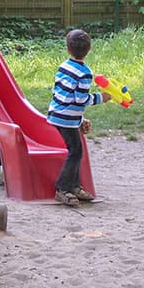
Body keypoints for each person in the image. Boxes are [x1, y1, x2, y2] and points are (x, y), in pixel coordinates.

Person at [47, 29, 108, 207]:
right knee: (75, 152)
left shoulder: (64, 66)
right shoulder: (85, 72)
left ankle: (74, 186)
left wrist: (80, 120)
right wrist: (101, 98)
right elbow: (81, 99)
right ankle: (62, 188)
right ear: (89, 49)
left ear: (68, 49)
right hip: (66, 119)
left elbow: (64, 95)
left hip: (57, 114)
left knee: (76, 151)